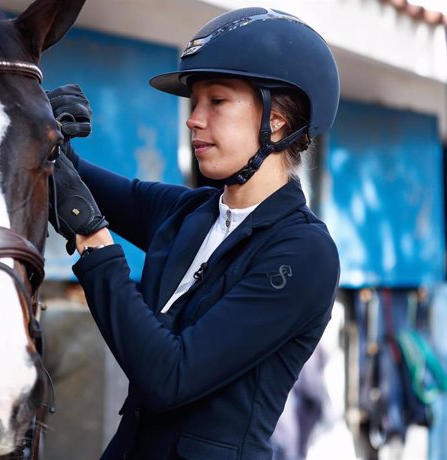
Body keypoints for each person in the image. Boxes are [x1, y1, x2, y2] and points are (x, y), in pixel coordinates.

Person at [46, 6, 341, 459]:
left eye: (217, 101)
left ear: (277, 119)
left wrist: (94, 242)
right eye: (194, 102)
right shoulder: (188, 212)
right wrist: (43, 130)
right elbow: (74, 179)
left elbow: (170, 377)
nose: (194, 119)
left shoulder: (304, 253)